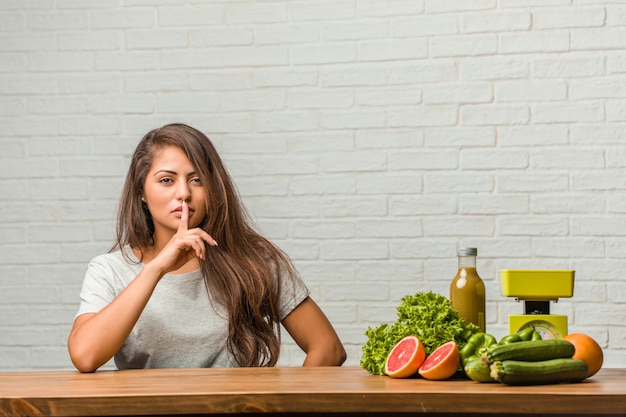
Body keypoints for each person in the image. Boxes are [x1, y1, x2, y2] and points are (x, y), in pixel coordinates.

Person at [68, 123, 346, 372]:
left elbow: (328, 348)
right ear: (141, 191)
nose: (183, 193)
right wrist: (156, 269)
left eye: (197, 179)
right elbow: (85, 356)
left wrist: (285, 406)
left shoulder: (254, 261)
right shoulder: (109, 270)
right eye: (167, 180)